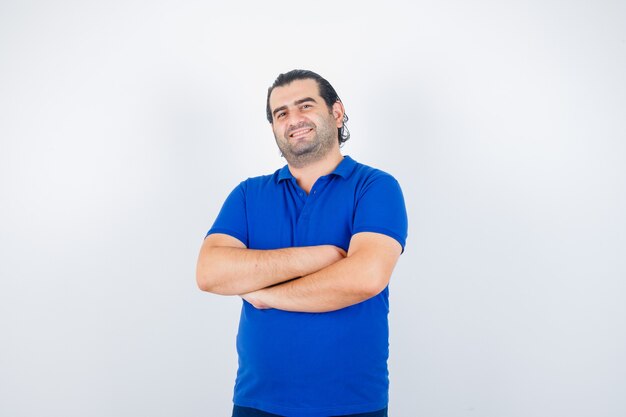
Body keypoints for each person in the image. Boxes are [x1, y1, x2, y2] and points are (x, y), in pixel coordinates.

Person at [196, 69, 408, 417]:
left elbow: (366, 277)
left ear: (336, 113)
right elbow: (210, 272)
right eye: (281, 113)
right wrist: (320, 257)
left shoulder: (375, 187)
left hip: (352, 403)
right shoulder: (248, 194)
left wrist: (267, 294)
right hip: (256, 402)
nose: (293, 119)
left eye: (305, 105)